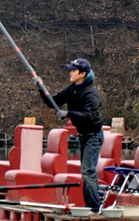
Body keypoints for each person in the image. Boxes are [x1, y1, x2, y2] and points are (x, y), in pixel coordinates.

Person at [40, 58, 103, 210]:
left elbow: (89, 116)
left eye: (74, 70)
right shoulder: (72, 89)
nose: (70, 73)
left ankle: (94, 208)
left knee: (88, 172)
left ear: (82, 74)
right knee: (86, 172)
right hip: (83, 136)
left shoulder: (91, 94)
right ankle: (90, 206)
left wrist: (69, 113)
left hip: (94, 136)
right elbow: (53, 102)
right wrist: (41, 88)